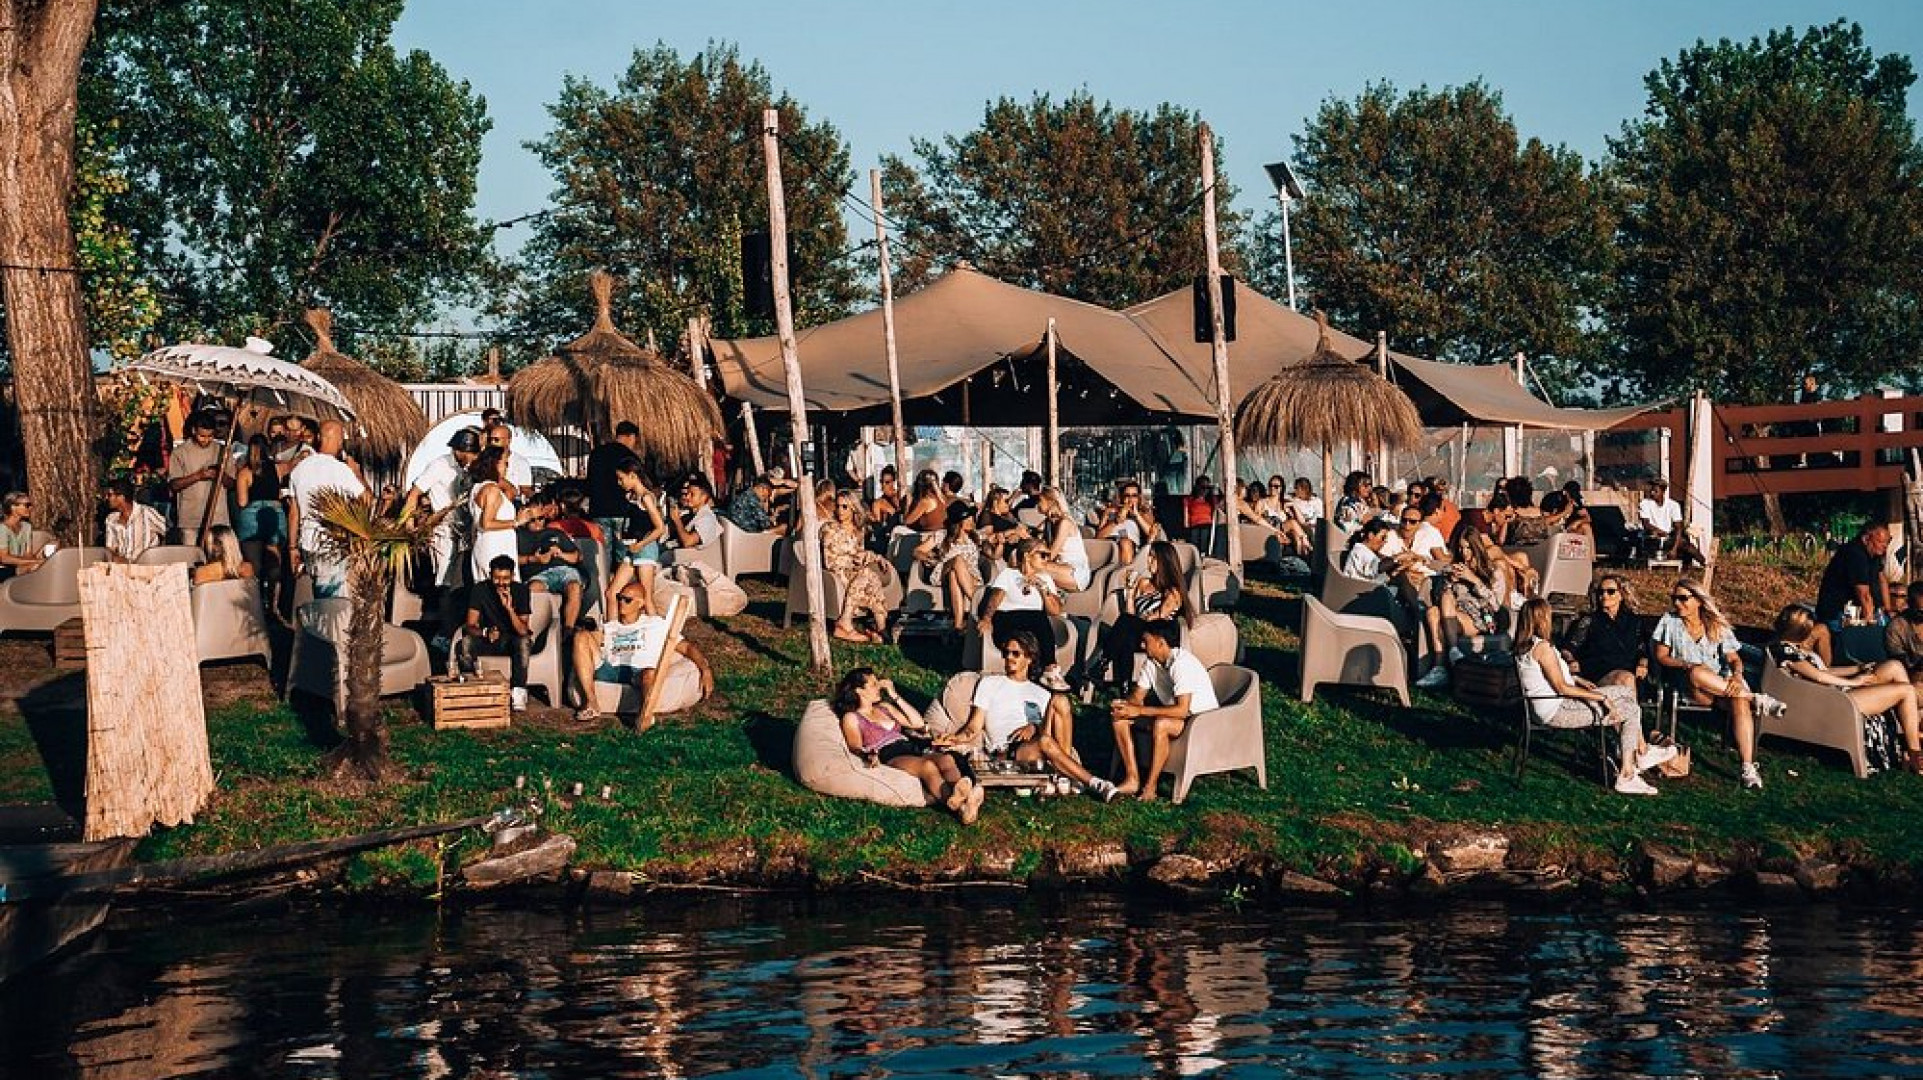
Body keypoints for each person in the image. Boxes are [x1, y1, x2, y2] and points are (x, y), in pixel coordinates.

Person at [1515, 598, 1673, 796]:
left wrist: (1579, 681)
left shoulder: (1528, 647)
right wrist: (1599, 698)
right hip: (1557, 710)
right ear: (1542, 619)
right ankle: (1628, 772)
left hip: (1550, 704)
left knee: (1625, 693)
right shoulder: (1543, 649)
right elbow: (1561, 687)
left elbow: (1553, 678)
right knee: (1631, 708)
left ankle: (1638, 753)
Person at [937, 630, 1118, 802]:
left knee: (1060, 700)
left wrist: (1034, 727)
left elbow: (1050, 726)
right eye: (1006, 653)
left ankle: (1064, 775)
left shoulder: (1040, 692)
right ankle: (1096, 783)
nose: (1009, 658)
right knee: (1045, 741)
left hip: (1040, 741)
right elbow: (973, 727)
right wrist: (954, 738)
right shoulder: (989, 683)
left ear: (1029, 658)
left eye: (1016, 654)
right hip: (1008, 749)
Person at [1652, 578, 1785, 790]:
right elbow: (1661, 656)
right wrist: (1685, 664)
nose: (1677, 603)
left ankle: (1747, 767)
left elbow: (1734, 658)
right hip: (1688, 682)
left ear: (1698, 601)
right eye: (1674, 598)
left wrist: (1737, 675)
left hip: (1719, 684)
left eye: (1683, 598)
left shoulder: (1714, 624)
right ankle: (1757, 699)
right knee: (1697, 671)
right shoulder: (1670, 621)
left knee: (1739, 701)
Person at [1770, 604, 1923, 776]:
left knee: (1894, 666)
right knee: (1906, 690)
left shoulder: (1796, 650)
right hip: (1830, 701)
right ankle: (1914, 753)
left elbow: (1823, 672)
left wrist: (1858, 669)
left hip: (1832, 692)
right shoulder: (1784, 651)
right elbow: (1819, 677)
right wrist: (1855, 682)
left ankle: (1908, 737)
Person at [836, 667, 981, 823]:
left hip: (909, 745)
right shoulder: (852, 717)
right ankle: (960, 807)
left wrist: (895, 695)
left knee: (946, 760)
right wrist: (868, 755)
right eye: (873, 684)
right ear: (859, 691)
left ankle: (963, 798)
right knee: (927, 767)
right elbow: (854, 746)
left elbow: (917, 723)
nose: (879, 686)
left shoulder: (885, 708)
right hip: (889, 753)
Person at [571, 581, 713, 729]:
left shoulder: (656, 625)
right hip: (610, 669)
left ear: (640, 603)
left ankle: (645, 714)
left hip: (638, 672)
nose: (621, 603)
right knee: (580, 636)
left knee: (650, 673)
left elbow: (687, 647)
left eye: (627, 600)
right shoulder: (611, 626)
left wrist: (705, 668)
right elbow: (586, 643)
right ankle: (592, 703)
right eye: (619, 597)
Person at [1109, 619, 1218, 801]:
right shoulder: (1152, 663)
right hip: (1175, 713)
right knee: (1120, 718)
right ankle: (1132, 778)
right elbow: (1138, 696)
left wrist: (1141, 712)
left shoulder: (1182, 664)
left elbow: (1183, 710)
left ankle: (1151, 785)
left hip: (1199, 720)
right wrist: (1126, 706)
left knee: (1162, 724)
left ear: (1160, 642)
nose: (1142, 645)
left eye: (1146, 641)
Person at [1091, 540, 1195, 691]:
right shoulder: (1144, 583)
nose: (1149, 561)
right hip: (1138, 630)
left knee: (1127, 626)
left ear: (1164, 562)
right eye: (1149, 556)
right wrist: (1131, 592)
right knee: (1126, 635)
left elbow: (1158, 617)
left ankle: (1102, 665)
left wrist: (1137, 620)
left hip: (1159, 634)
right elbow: (1130, 614)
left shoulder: (1172, 591)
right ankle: (1125, 689)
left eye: (1153, 557)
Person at [285, 420, 367, 597]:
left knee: (321, 592)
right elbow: (367, 499)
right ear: (338, 440)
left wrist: (292, 548)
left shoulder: (299, 469)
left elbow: (294, 513)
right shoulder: (341, 470)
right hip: (332, 542)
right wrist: (357, 473)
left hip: (308, 542)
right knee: (332, 600)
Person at [979, 537, 1067, 683]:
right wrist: (987, 619)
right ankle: (1049, 669)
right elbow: (995, 598)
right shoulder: (1009, 574)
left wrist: (1043, 588)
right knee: (1036, 617)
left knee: (1039, 618)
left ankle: (1048, 669)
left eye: (1049, 556)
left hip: (1034, 626)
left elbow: (1055, 611)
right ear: (1027, 556)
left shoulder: (1045, 579)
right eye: (1043, 555)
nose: (1047, 559)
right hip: (1007, 620)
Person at [403, 427, 480, 592]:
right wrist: (409, 523)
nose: (473, 458)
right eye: (470, 453)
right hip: (444, 531)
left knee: (462, 582)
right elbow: (414, 493)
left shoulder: (468, 469)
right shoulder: (439, 465)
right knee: (444, 580)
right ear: (458, 450)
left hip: (465, 533)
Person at [455, 554, 533, 712]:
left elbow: (523, 630)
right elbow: (469, 625)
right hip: (487, 639)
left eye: (505, 578)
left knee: (523, 642)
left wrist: (509, 609)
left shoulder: (521, 591)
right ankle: (473, 689)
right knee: (464, 643)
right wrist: (485, 632)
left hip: (512, 641)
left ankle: (518, 692)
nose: (501, 583)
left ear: (512, 576)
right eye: (497, 578)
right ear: (490, 575)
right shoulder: (480, 590)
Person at [822, 489, 892, 643]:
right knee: (866, 575)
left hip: (853, 570)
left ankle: (881, 627)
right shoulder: (830, 528)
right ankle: (845, 623)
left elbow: (859, 553)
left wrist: (876, 557)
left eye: (845, 507)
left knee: (871, 577)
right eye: (838, 506)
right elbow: (831, 557)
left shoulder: (857, 531)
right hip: (836, 570)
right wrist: (855, 559)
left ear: (853, 508)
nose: (840, 510)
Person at [602, 459, 667, 616]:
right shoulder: (632, 498)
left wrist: (642, 543)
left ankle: (658, 634)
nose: (619, 482)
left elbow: (660, 528)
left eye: (621, 478)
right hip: (631, 548)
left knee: (647, 598)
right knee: (612, 593)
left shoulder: (646, 498)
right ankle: (613, 632)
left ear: (632, 476)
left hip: (645, 549)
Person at [1563, 574, 1648, 686]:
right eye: (1601, 592)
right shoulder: (1589, 621)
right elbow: (1567, 649)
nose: (1604, 595)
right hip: (1598, 673)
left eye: (1610, 591)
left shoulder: (1634, 621)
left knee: (1628, 678)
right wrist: (1571, 661)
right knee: (1625, 679)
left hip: (1629, 671)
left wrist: (1643, 665)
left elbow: (1642, 650)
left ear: (1621, 595)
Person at [518, 490, 586, 630]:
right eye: (532, 520)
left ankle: (568, 630)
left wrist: (560, 554)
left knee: (574, 586)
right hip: (537, 575)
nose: (537, 523)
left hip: (564, 570)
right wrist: (534, 559)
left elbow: (577, 556)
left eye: (541, 518)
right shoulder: (518, 536)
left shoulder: (555, 532)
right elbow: (513, 559)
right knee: (532, 588)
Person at [915, 501, 982, 631]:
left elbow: (995, 540)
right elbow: (917, 551)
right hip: (943, 572)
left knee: (954, 575)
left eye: (971, 517)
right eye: (967, 518)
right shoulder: (942, 535)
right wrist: (929, 557)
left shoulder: (975, 536)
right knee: (957, 561)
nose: (971, 520)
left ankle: (958, 625)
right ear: (958, 522)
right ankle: (980, 605)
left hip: (970, 575)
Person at [465, 446, 527, 585]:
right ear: (495, 464)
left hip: (487, 545)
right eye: (505, 463)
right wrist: (516, 522)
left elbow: (512, 490)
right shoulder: (491, 489)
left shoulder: (478, 487)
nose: (507, 468)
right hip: (495, 548)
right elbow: (486, 523)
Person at [166, 412, 233, 542]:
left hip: (217, 517)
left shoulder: (223, 451)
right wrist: (198, 476)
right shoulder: (180, 452)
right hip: (191, 517)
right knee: (191, 557)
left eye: (210, 436)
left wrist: (220, 475)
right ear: (193, 431)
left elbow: (231, 484)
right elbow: (174, 484)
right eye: (202, 436)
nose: (206, 440)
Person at [1814, 523, 1892, 631]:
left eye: (1887, 542)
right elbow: (1863, 594)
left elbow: (1882, 580)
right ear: (1866, 539)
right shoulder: (1855, 554)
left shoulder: (1874, 554)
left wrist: (1888, 610)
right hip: (1838, 613)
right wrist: (1870, 626)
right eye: (1880, 541)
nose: (1885, 546)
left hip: (1862, 610)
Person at [586, 421, 642, 542]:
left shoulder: (596, 453)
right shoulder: (630, 457)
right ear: (631, 437)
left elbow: (589, 482)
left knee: (602, 553)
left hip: (598, 510)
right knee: (622, 553)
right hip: (621, 510)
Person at [1034, 487, 1091, 594]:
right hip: (1060, 567)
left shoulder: (1065, 522)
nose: (1038, 504)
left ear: (1050, 502)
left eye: (1040, 500)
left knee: (1034, 565)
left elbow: (1051, 554)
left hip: (1076, 573)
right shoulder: (1049, 522)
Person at [1637, 478, 1701, 564]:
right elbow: (1646, 524)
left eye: (1655, 491)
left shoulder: (1673, 505)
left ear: (1663, 492)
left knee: (1686, 544)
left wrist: (1674, 549)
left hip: (1668, 537)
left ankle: (1706, 565)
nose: (1652, 493)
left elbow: (1678, 527)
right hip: (1651, 537)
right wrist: (1658, 531)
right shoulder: (1645, 503)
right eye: (1651, 490)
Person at [104, 479, 167, 563]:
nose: (107, 498)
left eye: (109, 495)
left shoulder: (146, 513)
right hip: (122, 568)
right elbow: (110, 548)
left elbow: (167, 531)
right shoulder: (111, 519)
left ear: (121, 497)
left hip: (146, 567)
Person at [1095, 479, 1155, 566]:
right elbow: (1098, 537)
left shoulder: (1144, 513)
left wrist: (1137, 515)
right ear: (1121, 497)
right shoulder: (1110, 511)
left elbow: (1152, 534)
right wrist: (1116, 521)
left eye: (1134, 496)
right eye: (1127, 495)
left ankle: (1126, 574)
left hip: (1132, 547)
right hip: (1110, 546)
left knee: (1125, 542)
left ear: (1139, 498)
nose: (1130, 499)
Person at [667, 475, 722, 554]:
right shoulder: (690, 514)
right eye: (687, 493)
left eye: (692, 494)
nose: (687, 497)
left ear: (704, 497)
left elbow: (688, 542)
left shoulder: (707, 519)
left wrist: (677, 520)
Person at [1884, 581, 1923, 688]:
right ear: (1909, 603)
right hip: (1911, 680)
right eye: (1920, 611)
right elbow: (1899, 664)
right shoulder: (1896, 627)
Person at [0, 491, 45, 579]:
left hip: (19, 566)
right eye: (27, 505)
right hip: (4, 569)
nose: (30, 508)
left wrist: (33, 561)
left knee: (53, 544)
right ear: (13, 507)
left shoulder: (26, 527)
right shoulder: (3, 528)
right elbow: (4, 558)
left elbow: (28, 554)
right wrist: (36, 561)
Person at [483, 420, 533, 497]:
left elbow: (526, 490)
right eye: (490, 439)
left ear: (508, 441)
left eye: (496, 440)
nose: (492, 443)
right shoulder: (485, 460)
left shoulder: (521, 462)